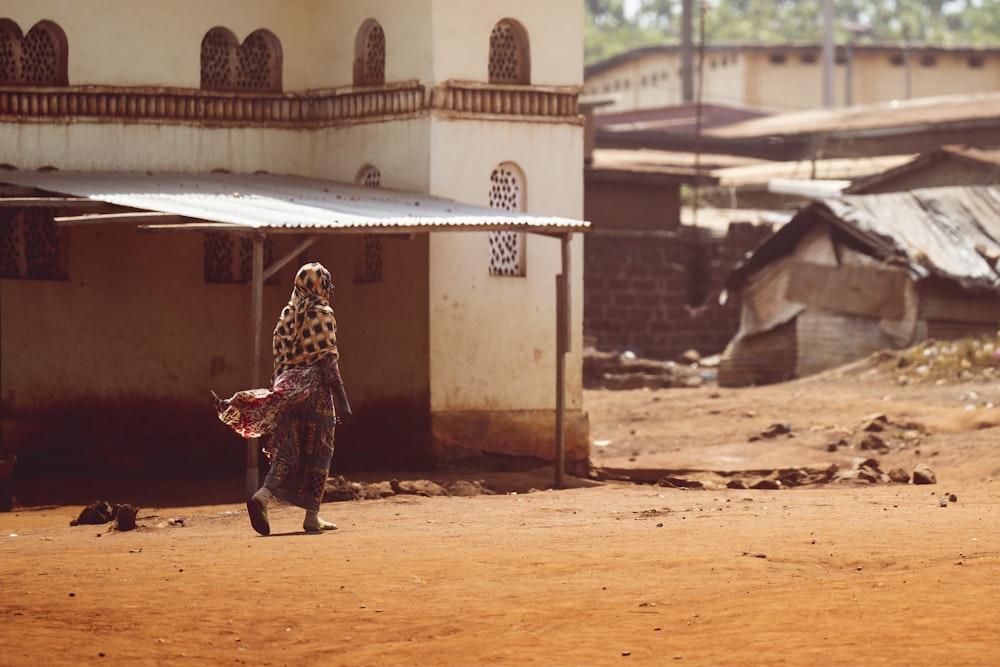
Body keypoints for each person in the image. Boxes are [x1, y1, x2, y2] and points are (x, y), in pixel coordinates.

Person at [213, 262, 352, 536]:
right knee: (320, 452)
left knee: (288, 451)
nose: (331, 288)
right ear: (318, 285)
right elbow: (327, 361)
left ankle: (262, 496)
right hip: (316, 395)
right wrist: (344, 401)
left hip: (288, 392)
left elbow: (282, 362)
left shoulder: (287, 315)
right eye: (327, 282)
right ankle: (312, 516)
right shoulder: (321, 312)